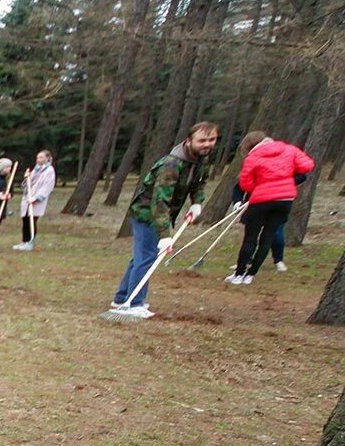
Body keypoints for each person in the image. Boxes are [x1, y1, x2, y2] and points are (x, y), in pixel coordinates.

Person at [115, 122, 219, 317]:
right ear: (189, 141)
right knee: (146, 258)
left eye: (211, 139)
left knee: (141, 257)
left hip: (161, 214)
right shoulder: (171, 164)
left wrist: (197, 203)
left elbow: (199, 183)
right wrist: (165, 235)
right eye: (202, 140)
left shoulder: (199, 160)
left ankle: (121, 298)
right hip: (147, 213)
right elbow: (159, 200)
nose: (207, 144)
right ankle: (134, 304)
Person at [229, 132, 314, 285]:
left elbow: (245, 185)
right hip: (285, 200)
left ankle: (238, 274)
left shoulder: (252, 157)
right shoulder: (290, 149)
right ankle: (250, 275)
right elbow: (307, 165)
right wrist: (287, 179)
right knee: (267, 237)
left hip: (261, 200)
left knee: (250, 237)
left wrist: (261, 186)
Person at [12, 149, 54, 251]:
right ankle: (24, 241)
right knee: (25, 220)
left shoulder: (49, 171)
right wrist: (27, 178)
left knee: (32, 220)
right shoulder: (35, 170)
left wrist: (36, 198)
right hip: (28, 199)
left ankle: (30, 242)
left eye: (41, 157)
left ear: (47, 158)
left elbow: (47, 186)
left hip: (37, 200)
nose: (39, 160)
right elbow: (28, 184)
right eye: (37, 157)